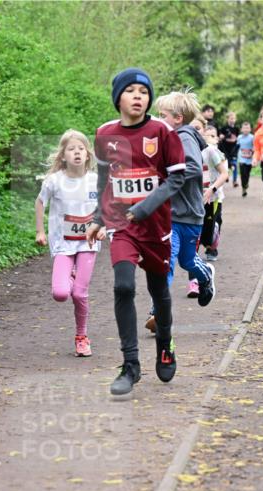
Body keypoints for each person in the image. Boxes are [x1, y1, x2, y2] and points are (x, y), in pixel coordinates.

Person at [83, 68, 188, 396]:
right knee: (124, 287)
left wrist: (144, 207)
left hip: (155, 225)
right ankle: (130, 366)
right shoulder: (104, 134)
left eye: (143, 92)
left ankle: (165, 342)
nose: (138, 97)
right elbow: (105, 182)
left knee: (159, 291)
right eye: (130, 91)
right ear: (118, 98)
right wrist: (98, 217)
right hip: (121, 224)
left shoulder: (162, 132)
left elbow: (177, 178)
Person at [143, 91, 215, 334]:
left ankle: (205, 275)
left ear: (177, 118)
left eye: (162, 116)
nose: (158, 119)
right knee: (167, 262)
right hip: (170, 216)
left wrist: (168, 173)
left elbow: (193, 168)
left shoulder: (183, 138)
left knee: (187, 260)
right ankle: (157, 312)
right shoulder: (168, 137)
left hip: (190, 214)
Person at [35, 130, 100, 357]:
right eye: (71, 149)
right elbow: (40, 202)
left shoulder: (95, 180)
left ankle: (81, 337)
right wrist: (41, 231)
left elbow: (106, 207)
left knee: (80, 295)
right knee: (61, 293)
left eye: (81, 148)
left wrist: (102, 229)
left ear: (88, 153)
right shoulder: (55, 181)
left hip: (87, 243)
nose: (77, 153)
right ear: (63, 155)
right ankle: (70, 276)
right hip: (62, 243)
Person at [200, 124, 230, 261]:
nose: (210, 138)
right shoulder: (192, 149)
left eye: (213, 136)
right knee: (200, 225)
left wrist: (213, 188)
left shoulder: (215, 152)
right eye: (208, 134)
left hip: (215, 195)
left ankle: (212, 246)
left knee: (211, 226)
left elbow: (224, 173)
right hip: (198, 195)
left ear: (217, 138)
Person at [218, 111, 239, 188]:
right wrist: (221, 136)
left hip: (233, 150)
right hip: (225, 150)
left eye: (233, 118)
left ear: (235, 119)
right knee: (226, 165)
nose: (232, 120)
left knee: (234, 165)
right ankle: (226, 176)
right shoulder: (224, 128)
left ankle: (235, 181)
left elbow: (238, 139)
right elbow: (220, 136)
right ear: (227, 119)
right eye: (230, 118)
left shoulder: (237, 129)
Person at [236, 121, 255, 198]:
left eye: (248, 128)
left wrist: (253, 150)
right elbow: (237, 147)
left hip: (249, 159)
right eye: (244, 128)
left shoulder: (252, 137)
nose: (246, 129)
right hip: (241, 159)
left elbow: (255, 146)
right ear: (241, 129)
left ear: (250, 129)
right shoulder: (239, 137)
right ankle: (244, 188)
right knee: (242, 173)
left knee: (247, 174)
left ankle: (245, 185)